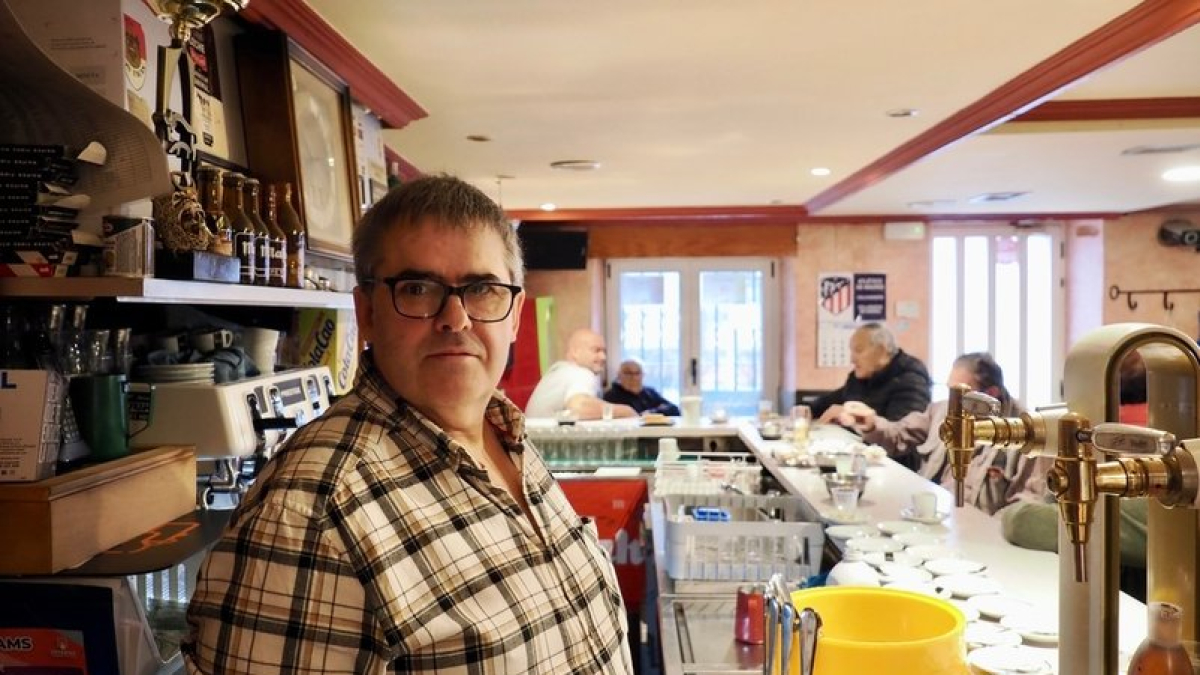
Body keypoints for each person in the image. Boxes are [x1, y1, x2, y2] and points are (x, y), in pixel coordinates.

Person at [183, 176, 633, 674]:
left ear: (514, 315)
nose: (455, 318)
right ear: (367, 313)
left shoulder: (507, 437)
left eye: (482, 289)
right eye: (418, 289)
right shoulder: (309, 514)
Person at [841, 352, 1038, 512]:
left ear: (991, 394)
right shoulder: (941, 411)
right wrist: (871, 424)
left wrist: (989, 534)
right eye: (951, 391)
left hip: (979, 535)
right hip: (930, 516)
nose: (953, 403)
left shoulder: (1025, 432)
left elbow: (1025, 504)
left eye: (962, 395)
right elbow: (899, 434)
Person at [811, 322, 932, 427]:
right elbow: (829, 401)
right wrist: (807, 410)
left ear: (882, 351)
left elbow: (901, 436)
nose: (852, 359)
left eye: (858, 350)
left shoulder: (911, 380)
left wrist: (852, 416)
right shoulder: (861, 378)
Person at [524, 328, 637, 419]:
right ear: (575, 352)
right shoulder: (580, 373)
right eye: (596, 350)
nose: (603, 357)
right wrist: (627, 411)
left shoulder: (559, 372)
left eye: (604, 351)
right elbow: (579, 407)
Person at [603, 359, 681, 416]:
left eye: (637, 373)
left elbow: (673, 409)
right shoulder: (611, 395)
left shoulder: (650, 392)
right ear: (619, 375)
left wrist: (652, 413)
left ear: (643, 375)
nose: (633, 377)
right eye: (628, 373)